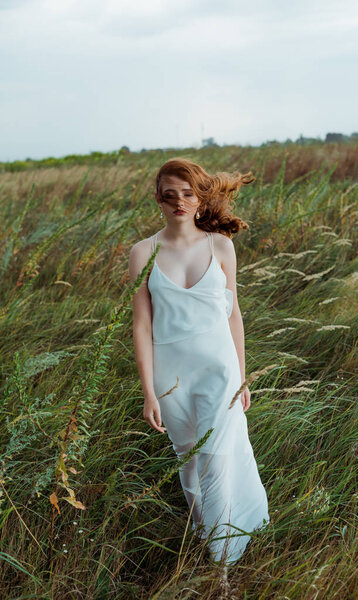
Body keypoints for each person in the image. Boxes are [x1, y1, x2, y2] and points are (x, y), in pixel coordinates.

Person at [128, 158, 270, 565]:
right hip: (171, 376)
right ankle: (206, 533)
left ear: (199, 197)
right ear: (158, 199)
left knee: (219, 456)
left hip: (220, 371)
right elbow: (141, 326)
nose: (179, 202)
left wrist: (242, 377)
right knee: (189, 459)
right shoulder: (143, 252)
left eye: (187, 194)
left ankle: (222, 559)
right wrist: (148, 391)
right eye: (170, 195)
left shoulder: (220, 246)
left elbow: (233, 313)